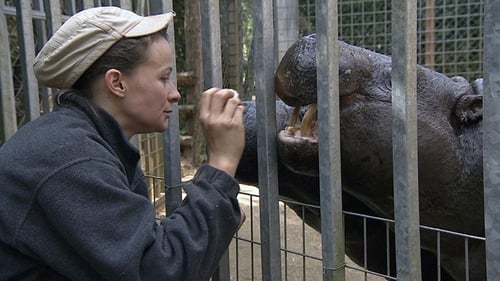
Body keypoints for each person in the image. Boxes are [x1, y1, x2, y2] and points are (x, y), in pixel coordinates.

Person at [0, 6, 245, 281]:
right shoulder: (72, 159)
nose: (175, 93)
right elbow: (160, 271)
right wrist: (221, 165)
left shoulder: (90, 143)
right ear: (117, 83)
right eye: (163, 77)